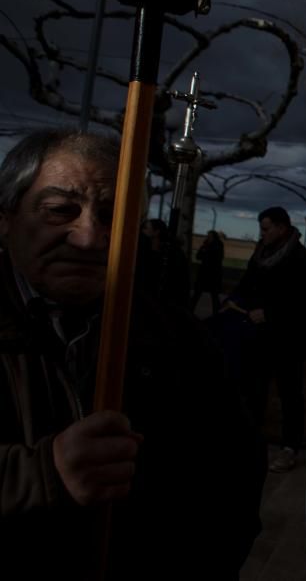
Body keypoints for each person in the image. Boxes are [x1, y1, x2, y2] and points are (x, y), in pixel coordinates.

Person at [0, 128, 263, 580]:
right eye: (60, 211)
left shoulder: (176, 335)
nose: (89, 238)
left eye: (112, 216)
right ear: (5, 218)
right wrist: (43, 473)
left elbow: (232, 478)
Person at [228, 206, 306, 473]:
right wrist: (234, 300)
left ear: (282, 228)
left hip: (288, 340)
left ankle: (290, 447)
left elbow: (301, 301)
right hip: (259, 337)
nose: (263, 233)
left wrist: (269, 312)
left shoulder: (302, 260)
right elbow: (248, 282)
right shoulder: (262, 253)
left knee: (289, 393)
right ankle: (249, 441)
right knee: (253, 390)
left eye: (266, 228)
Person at [136, 216, 190, 307]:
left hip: (164, 301)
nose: (142, 231)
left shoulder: (171, 252)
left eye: (145, 228)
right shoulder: (146, 248)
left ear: (156, 232)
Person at [192, 230, 225, 315]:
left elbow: (214, 258)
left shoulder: (218, 245)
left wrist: (205, 252)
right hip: (204, 274)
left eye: (209, 236)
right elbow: (198, 256)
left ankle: (216, 315)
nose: (208, 238)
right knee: (197, 294)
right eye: (207, 236)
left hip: (213, 275)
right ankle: (190, 311)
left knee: (214, 297)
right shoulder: (206, 245)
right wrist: (204, 250)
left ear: (214, 237)